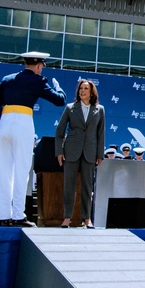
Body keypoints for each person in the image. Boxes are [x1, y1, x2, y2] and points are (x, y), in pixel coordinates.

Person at [0, 51, 66, 227]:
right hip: (22, 122)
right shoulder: (38, 80)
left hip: (4, 123)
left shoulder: (7, 79)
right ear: (39, 65)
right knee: (22, 170)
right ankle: (17, 215)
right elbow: (59, 100)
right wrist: (58, 87)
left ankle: (3, 216)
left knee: (5, 171)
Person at [55, 79, 105, 230]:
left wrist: (100, 154)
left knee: (87, 187)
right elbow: (59, 132)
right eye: (80, 88)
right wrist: (59, 151)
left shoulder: (99, 109)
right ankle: (67, 218)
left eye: (85, 89)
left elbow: (101, 134)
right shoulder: (70, 108)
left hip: (90, 152)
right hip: (71, 151)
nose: (82, 91)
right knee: (69, 186)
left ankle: (87, 219)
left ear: (91, 92)